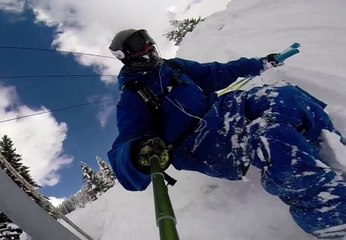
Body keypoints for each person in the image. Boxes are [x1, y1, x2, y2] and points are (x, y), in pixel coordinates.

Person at [107, 28, 346, 239]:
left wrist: (262, 63)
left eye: (146, 38)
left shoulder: (173, 67)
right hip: (203, 144)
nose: (149, 45)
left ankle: (335, 150)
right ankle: (332, 215)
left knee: (285, 96)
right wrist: (136, 154)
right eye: (138, 44)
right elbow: (124, 149)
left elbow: (218, 72)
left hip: (227, 107)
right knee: (271, 137)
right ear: (125, 56)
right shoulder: (132, 97)